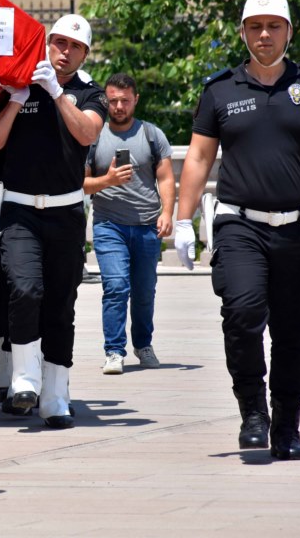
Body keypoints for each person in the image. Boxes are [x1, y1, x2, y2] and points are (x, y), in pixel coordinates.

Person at [175, 0, 300, 460]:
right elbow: (197, 156)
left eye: (274, 26)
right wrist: (182, 219)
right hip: (239, 225)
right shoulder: (220, 90)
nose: (265, 35)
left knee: (293, 332)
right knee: (243, 314)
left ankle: (287, 428)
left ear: (289, 31)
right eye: (256, 26)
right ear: (243, 32)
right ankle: (253, 411)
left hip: (299, 228)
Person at [0, 14, 107, 429]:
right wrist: (17, 97)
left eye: (73, 46)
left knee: (60, 305)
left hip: (66, 211)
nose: (63, 51)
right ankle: (25, 378)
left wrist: (55, 93)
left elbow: (87, 135)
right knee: (25, 288)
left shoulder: (90, 93)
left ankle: (55, 394)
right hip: (17, 207)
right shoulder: (17, 85)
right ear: (46, 43)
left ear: (85, 53)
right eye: (57, 42)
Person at [84, 73, 175, 375]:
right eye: (113, 101)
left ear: (136, 99)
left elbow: (165, 177)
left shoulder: (152, 134)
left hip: (148, 225)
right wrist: (107, 180)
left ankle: (143, 344)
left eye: (125, 100)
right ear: (106, 102)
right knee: (116, 286)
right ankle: (113, 350)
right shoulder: (94, 138)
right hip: (109, 225)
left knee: (144, 291)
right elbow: (80, 183)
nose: (119, 106)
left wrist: (167, 212)